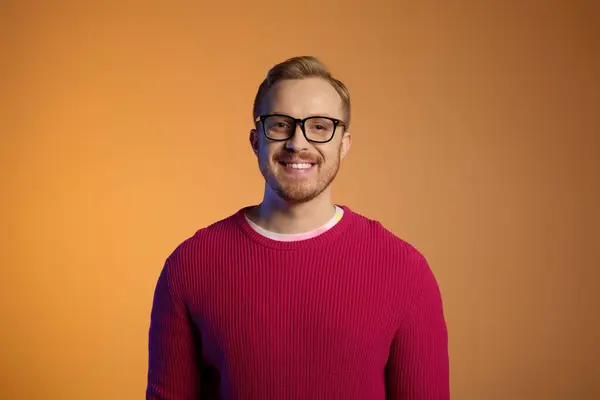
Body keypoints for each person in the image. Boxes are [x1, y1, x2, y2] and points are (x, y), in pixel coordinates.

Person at [146, 56, 450, 399]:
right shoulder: (190, 265)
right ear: (255, 140)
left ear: (344, 143)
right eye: (279, 125)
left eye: (320, 126)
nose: (298, 143)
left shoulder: (406, 271)